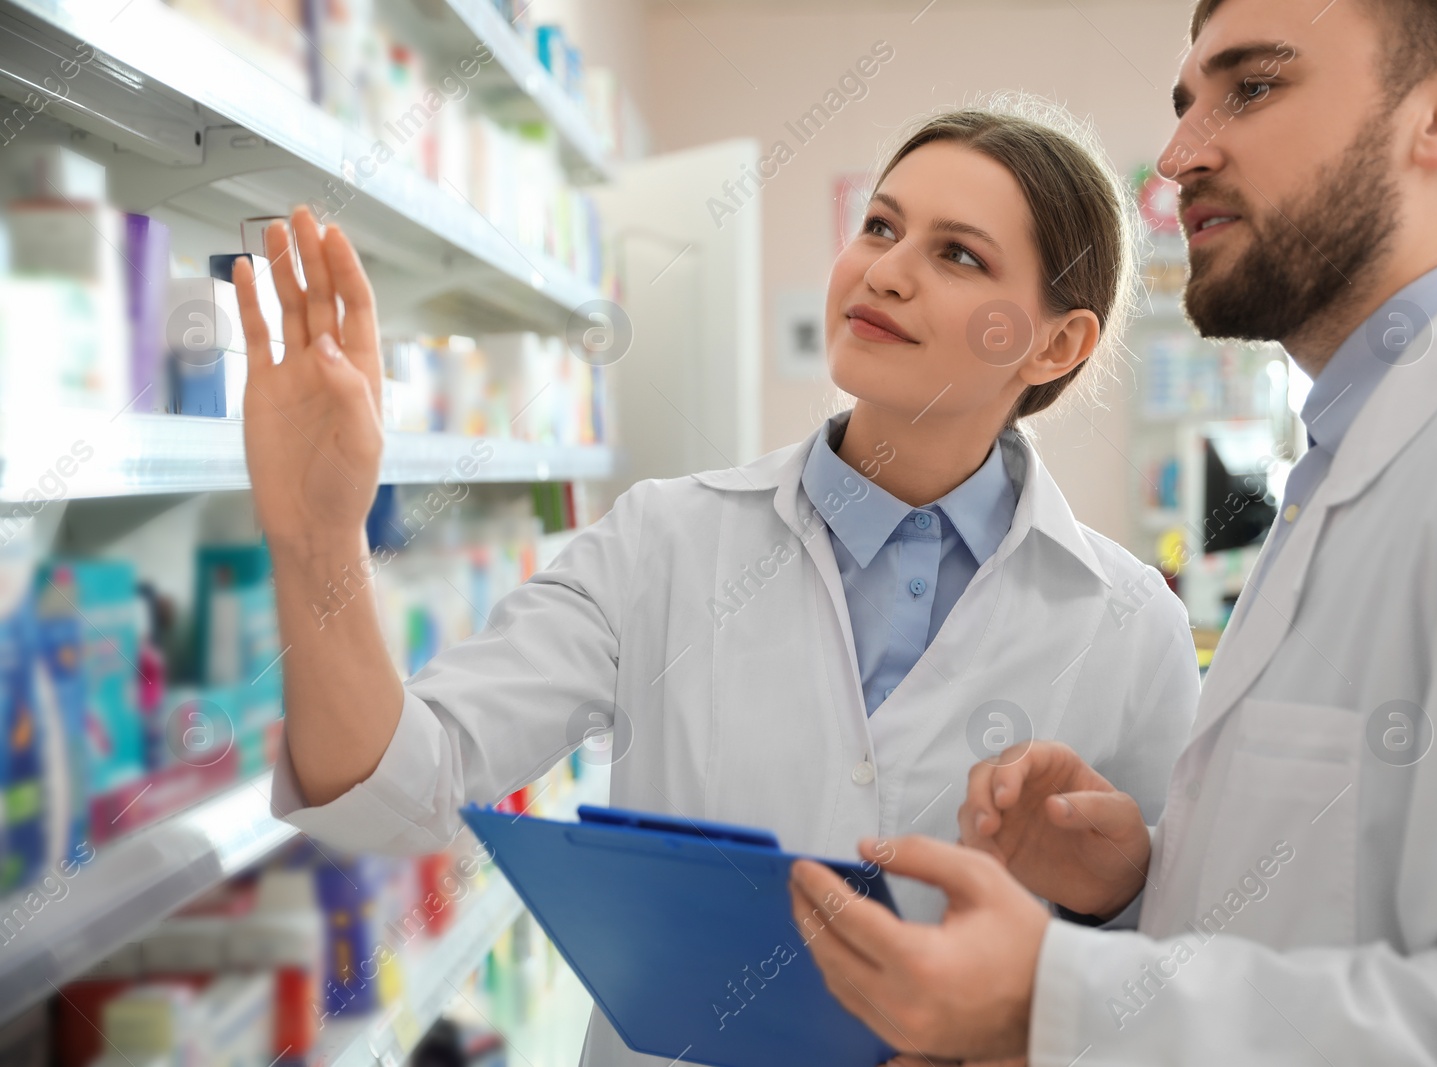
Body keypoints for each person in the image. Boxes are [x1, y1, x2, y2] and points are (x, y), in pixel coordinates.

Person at [236, 102, 1201, 1066]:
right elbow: (395, 798)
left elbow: (1180, 972)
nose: (886, 271)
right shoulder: (662, 540)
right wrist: (319, 537)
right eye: (880, 225)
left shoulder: (1128, 625)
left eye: (958, 256)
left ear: (1055, 344)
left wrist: (1113, 888)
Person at [790, 0, 1437, 1063]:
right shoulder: (1365, 444)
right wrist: (1141, 875)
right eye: (1185, 104)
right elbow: (1348, 899)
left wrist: (1052, 1000)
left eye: (1251, 88)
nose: (1178, 155)